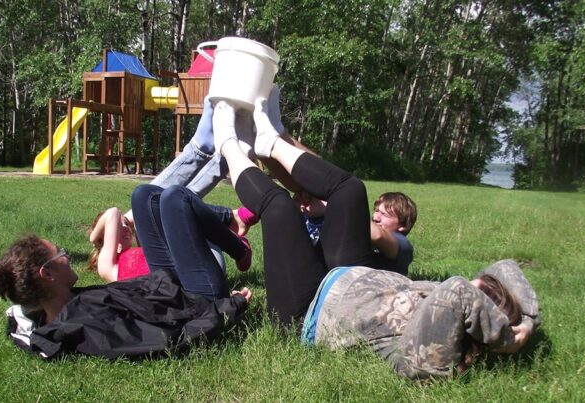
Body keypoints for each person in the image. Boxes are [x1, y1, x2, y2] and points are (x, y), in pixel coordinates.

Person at [212, 98, 539, 380]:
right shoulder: (455, 310)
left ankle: (226, 141)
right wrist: (528, 320)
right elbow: (504, 267)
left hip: (304, 314)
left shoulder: (436, 356)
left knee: (279, 209)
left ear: (484, 325)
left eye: (477, 297)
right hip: (338, 274)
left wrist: (508, 338)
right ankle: (270, 142)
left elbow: (459, 292)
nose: (471, 284)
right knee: (351, 189)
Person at [0, 234, 251, 360]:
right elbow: (170, 339)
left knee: (147, 196)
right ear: (47, 274)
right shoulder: (89, 324)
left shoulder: (67, 305)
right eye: (60, 254)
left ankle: (236, 233)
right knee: (174, 200)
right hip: (200, 291)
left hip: (174, 282)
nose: (67, 255)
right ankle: (239, 232)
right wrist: (231, 306)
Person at [87, 203, 252, 283]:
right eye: (119, 225)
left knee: (172, 205)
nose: (125, 227)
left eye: (126, 224)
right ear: (105, 236)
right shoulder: (108, 268)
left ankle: (237, 241)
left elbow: (138, 216)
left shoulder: (143, 251)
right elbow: (112, 213)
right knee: (177, 208)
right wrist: (94, 237)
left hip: (203, 258)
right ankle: (235, 226)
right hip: (201, 275)